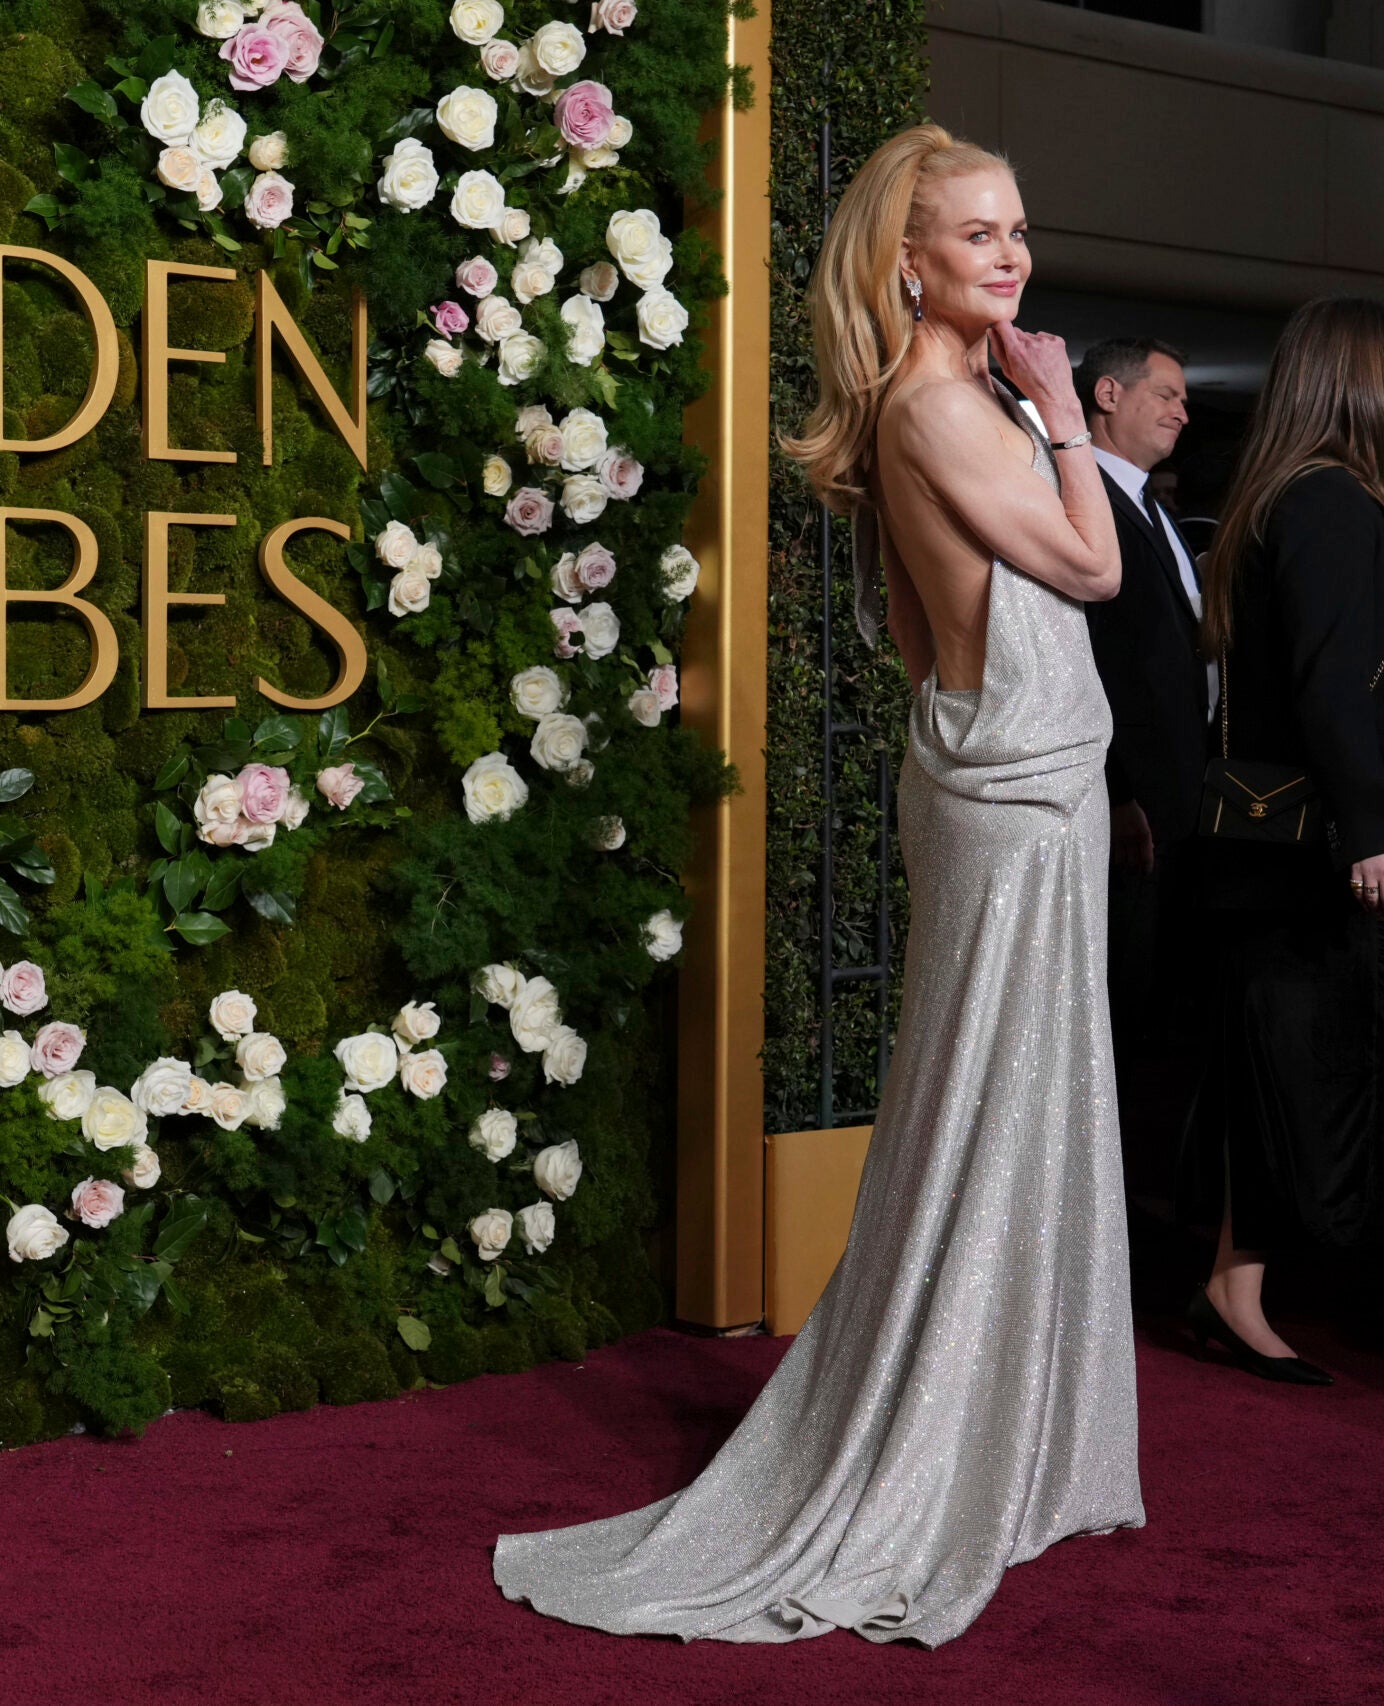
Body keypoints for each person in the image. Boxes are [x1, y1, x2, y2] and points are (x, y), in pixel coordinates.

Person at [492, 124, 1140, 1648]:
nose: (1011, 256)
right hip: (1022, 800)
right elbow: (1096, 570)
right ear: (906, 260)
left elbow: (925, 638)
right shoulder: (951, 406)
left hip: (1006, 782)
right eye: (978, 235)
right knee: (992, 1103)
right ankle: (937, 1450)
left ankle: (1006, 1438)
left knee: (1009, 1099)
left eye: (1019, 229)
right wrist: (1062, 413)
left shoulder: (931, 401)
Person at [1182, 297, 1384, 1386]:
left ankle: (1362, 1276)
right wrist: (1374, 833)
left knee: (1333, 1066)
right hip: (1334, 858)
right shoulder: (1323, 502)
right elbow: (1329, 684)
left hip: (1318, 857)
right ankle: (1253, 1287)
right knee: (1325, 1070)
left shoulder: (1309, 495)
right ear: (1358, 381)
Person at [1071, 337, 1213, 1200]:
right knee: (1120, 1010)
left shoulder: (1153, 508)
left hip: (1178, 800)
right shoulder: (1083, 498)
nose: (1182, 411)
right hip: (1125, 806)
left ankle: (1146, 1199)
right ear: (1108, 393)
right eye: (1165, 393)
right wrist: (1120, 792)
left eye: (1187, 399)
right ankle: (1108, 1207)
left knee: (1159, 1011)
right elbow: (1093, 660)